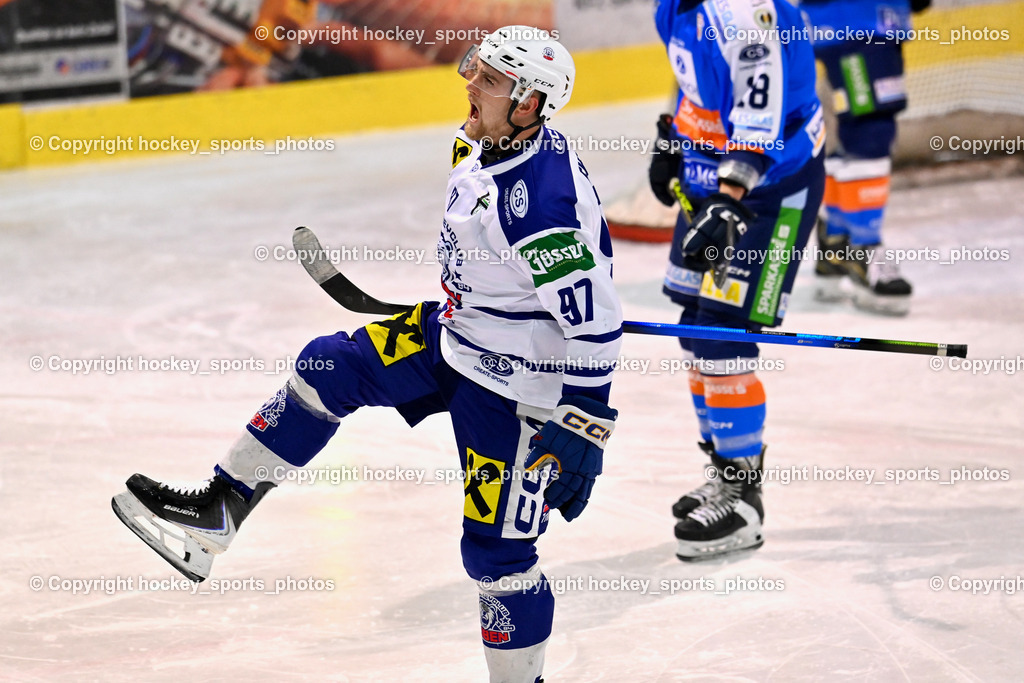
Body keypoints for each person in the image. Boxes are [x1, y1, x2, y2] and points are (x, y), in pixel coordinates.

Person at [112, 25, 623, 683]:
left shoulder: (541, 204)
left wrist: (585, 417)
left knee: (498, 553)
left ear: (529, 105)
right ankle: (216, 514)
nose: (469, 81)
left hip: (519, 387)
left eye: (491, 80)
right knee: (328, 365)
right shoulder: (486, 143)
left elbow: (596, 320)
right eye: (477, 68)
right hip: (457, 338)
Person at [647, 0, 826, 560]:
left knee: (724, 334)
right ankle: (726, 469)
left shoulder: (747, 13)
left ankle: (745, 498)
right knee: (694, 329)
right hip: (714, 180)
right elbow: (697, 85)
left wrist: (728, 203)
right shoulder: (673, 7)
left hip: (767, 189)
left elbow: (760, 115)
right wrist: (673, 139)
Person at [801, 0, 931, 315]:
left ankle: (837, 247)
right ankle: (863, 248)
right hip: (858, 20)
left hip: (850, 21)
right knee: (869, 130)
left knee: (849, 133)